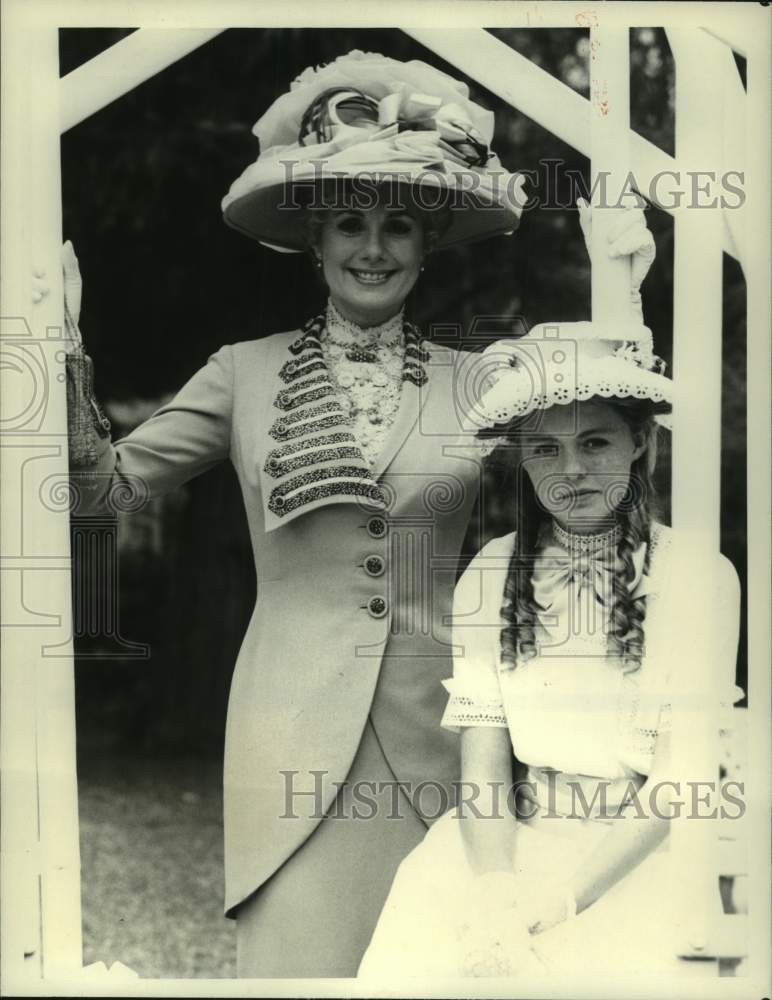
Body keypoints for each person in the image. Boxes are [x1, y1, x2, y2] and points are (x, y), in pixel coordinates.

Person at [53, 50, 657, 978]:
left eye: (399, 226)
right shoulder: (242, 373)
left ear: (428, 245)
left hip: (444, 743)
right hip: (286, 731)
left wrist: (623, 275)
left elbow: (605, 420)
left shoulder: (481, 379)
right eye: (349, 222)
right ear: (314, 239)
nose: (373, 247)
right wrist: (62, 359)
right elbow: (102, 494)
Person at [358, 321, 742, 981]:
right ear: (524, 460)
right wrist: (498, 888)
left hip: (636, 857)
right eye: (544, 448)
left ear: (641, 441)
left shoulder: (696, 576)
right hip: (506, 843)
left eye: (595, 441)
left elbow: (682, 779)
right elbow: (485, 761)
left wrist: (563, 900)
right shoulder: (493, 569)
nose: (570, 470)